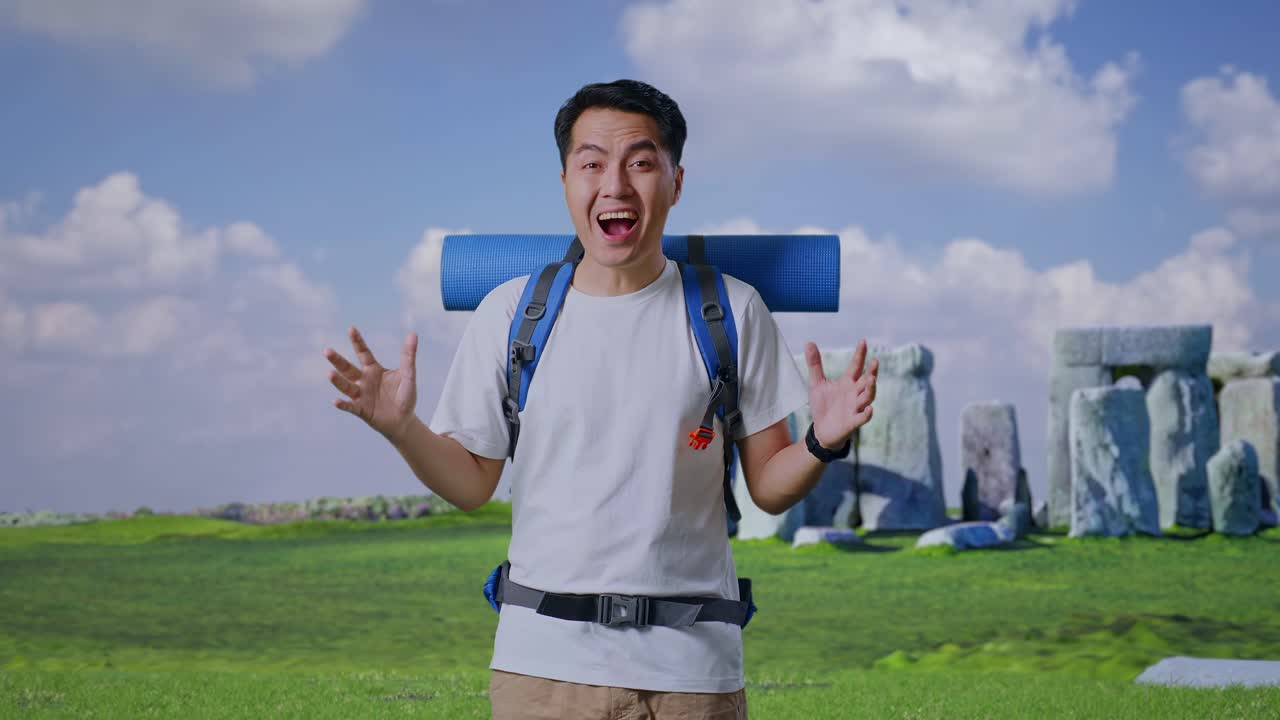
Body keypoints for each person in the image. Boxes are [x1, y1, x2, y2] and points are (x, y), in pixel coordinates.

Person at [322, 79, 878, 720]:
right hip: (543, 670)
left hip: (692, 675)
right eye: (591, 164)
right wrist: (401, 428)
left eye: (641, 162)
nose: (615, 184)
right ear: (565, 181)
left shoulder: (732, 310)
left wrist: (822, 441)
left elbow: (770, 487)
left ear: (675, 181)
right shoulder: (511, 315)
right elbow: (473, 482)